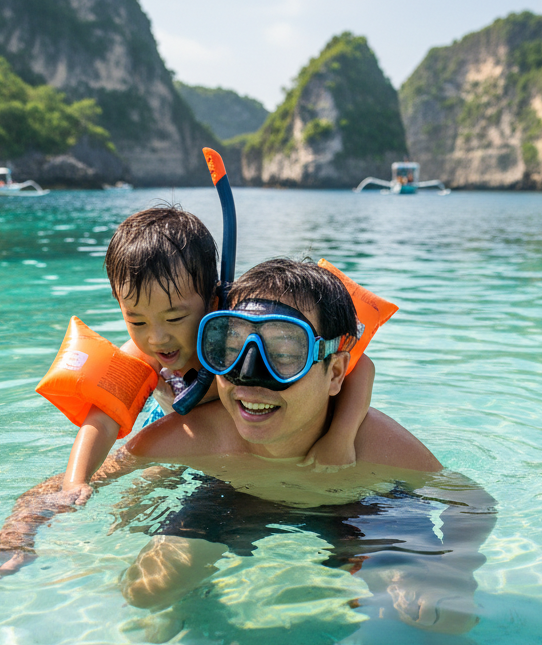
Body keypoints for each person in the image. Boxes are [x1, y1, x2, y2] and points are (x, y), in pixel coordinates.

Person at [0, 258, 494, 645]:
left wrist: (455, 566)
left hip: (362, 504)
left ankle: (426, 624)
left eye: (283, 351)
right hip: (240, 497)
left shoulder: (374, 446)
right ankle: (204, 608)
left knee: (445, 612)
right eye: (229, 347)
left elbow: (472, 501)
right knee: (145, 589)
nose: (250, 376)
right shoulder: (202, 437)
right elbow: (70, 485)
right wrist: (14, 534)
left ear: (334, 372)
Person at [55, 206, 376, 504]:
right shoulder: (142, 354)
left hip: (239, 438)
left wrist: (340, 437)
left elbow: (359, 367)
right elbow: (105, 417)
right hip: (177, 432)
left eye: (175, 318)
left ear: (213, 302)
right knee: (133, 508)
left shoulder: (236, 335)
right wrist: (76, 479)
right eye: (136, 320)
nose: (156, 337)